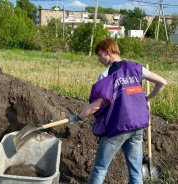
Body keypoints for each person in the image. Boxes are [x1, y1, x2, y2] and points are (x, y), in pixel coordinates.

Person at [67, 39, 167, 184]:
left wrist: (78, 117)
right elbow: (162, 82)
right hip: (137, 126)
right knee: (135, 170)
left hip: (117, 127)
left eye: (100, 55)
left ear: (108, 51)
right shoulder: (136, 67)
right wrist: (147, 98)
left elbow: (96, 106)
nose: (99, 59)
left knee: (100, 168)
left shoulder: (106, 74)